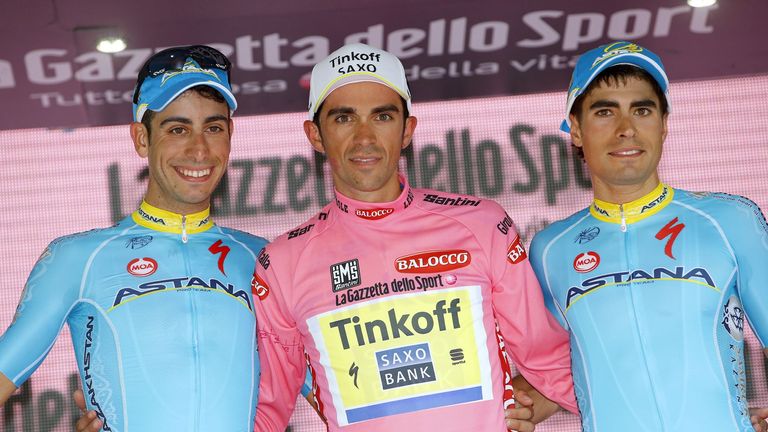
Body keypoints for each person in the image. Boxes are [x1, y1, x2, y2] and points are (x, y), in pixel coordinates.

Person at [251, 42, 578, 432]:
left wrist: (539, 400)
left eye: (383, 116)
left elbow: (551, 362)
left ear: (407, 130)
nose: (364, 137)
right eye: (343, 119)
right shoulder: (284, 261)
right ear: (315, 135)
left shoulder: (480, 224)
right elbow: (268, 408)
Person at [0, 45, 267, 431]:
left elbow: (336, 395)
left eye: (214, 127)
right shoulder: (77, 257)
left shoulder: (264, 259)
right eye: (177, 129)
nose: (199, 149)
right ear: (141, 138)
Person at [524, 40, 768, 431]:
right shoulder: (549, 249)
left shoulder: (729, 219)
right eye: (604, 112)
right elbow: (552, 376)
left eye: (642, 110)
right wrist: (505, 408)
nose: (626, 129)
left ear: (664, 124)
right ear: (575, 129)